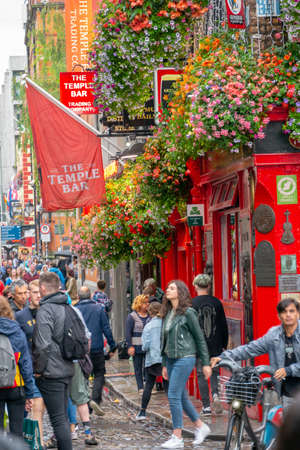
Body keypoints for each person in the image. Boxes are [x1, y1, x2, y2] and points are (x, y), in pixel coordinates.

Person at [211, 297, 300, 412]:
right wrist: (223, 357)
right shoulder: (274, 335)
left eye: (291, 311)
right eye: (284, 312)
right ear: (279, 316)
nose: (288, 315)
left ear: (298, 314)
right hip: (287, 391)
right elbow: (250, 349)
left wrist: (288, 370)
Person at [160, 280, 212, 449]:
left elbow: (199, 338)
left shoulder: (189, 313)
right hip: (171, 358)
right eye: (168, 288)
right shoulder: (168, 312)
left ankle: (177, 436)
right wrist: (164, 364)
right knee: (180, 396)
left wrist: (205, 362)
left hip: (185, 356)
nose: (168, 290)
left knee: (173, 395)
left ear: (180, 292)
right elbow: (164, 340)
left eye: (172, 288)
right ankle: (200, 426)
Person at [32, 271, 74, 450]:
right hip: (67, 367)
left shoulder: (46, 310)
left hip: (51, 372)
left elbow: (42, 345)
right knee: (62, 418)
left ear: (42, 288)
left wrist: (38, 370)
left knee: (58, 419)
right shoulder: (66, 306)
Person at [76, 286, 117, 416]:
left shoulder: (75, 310)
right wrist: (112, 345)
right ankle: (95, 399)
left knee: (83, 376)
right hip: (97, 347)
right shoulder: (99, 309)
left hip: (81, 349)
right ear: (90, 296)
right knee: (99, 374)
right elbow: (106, 328)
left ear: (78, 297)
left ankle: (87, 402)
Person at [192, 273, 228, 415]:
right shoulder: (216, 302)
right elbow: (222, 324)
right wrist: (224, 343)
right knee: (215, 371)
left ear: (195, 286)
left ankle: (206, 406)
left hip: (199, 345)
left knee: (201, 374)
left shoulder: (192, 303)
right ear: (208, 286)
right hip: (215, 343)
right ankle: (216, 395)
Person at [15, 279, 45, 447]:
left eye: (40, 292)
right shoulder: (20, 316)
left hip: (49, 369)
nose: (38, 296)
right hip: (29, 369)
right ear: (28, 294)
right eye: (34, 292)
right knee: (36, 410)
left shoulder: (48, 313)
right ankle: (37, 444)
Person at [0, 296, 34, 439]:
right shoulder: (16, 330)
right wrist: (29, 393)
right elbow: (25, 363)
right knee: (17, 430)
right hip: (16, 385)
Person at [136, 301, 165, 421]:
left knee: (148, 385)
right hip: (165, 359)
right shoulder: (165, 324)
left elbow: (145, 346)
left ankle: (142, 412)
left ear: (150, 312)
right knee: (169, 388)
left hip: (152, 359)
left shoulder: (148, 326)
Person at [126, 294, 150, 394]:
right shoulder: (132, 316)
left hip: (148, 346)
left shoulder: (150, 316)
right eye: (145, 303)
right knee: (138, 367)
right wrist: (130, 346)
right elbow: (128, 332)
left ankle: (148, 386)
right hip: (136, 346)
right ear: (139, 304)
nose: (147, 305)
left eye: (148, 303)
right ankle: (140, 387)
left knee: (148, 367)